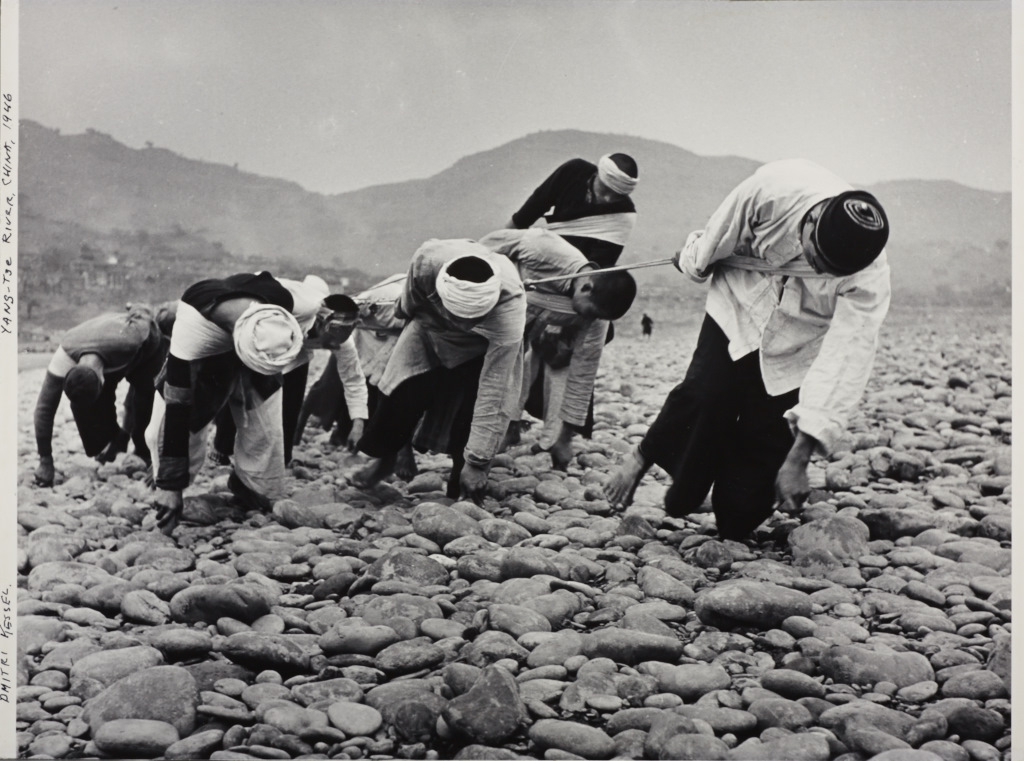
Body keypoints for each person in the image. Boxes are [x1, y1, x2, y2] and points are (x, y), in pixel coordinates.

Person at [604, 159, 891, 541]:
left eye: (830, 270)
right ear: (812, 220)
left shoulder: (869, 276)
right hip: (740, 304)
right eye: (816, 258)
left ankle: (731, 475)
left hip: (797, 343)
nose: (819, 271)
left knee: (739, 518)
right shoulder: (772, 190)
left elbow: (846, 360)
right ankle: (642, 457)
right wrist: (691, 260)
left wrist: (800, 457)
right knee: (703, 401)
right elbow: (715, 240)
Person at [146, 271, 327, 535]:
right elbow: (177, 406)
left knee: (267, 425)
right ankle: (170, 493)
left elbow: (324, 304)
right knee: (167, 431)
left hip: (264, 351)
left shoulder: (293, 304)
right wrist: (170, 487)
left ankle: (251, 486)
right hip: (208, 352)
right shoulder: (191, 331)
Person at [354, 239, 526, 503]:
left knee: (469, 413)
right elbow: (406, 308)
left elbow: (494, 389)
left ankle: (464, 485)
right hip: (430, 326)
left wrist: (478, 462)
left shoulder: (510, 311)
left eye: (473, 319)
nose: (464, 325)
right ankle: (388, 458)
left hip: (479, 346)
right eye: (459, 316)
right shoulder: (427, 262)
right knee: (399, 392)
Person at [478, 228, 637, 468]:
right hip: (497, 313)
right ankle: (496, 433)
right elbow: (483, 251)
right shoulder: (543, 248)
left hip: (533, 331)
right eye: (590, 313)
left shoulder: (596, 318)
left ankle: (526, 434)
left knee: (544, 367)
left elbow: (583, 375)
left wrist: (565, 439)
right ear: (586, 287)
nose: (591, 320)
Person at [32, 302, 177, 487]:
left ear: (103, 379)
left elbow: (144, 315)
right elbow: (44, 409)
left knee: (146, 398)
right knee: (90, 426)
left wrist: (136, 307)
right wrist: (45, 460)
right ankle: (117, 439)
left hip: (148, 349)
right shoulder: (63, 358)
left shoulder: (131, 338)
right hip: (103, 349)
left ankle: (143, 451)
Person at [506, 153, 639, 267]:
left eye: (617, 195)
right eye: (606, 190)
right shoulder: (574, 172)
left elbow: (596, 268)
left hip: (571, 274)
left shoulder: (623, 215)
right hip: (535, 252)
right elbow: (524, 216)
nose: (608, 198)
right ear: (598, 174)